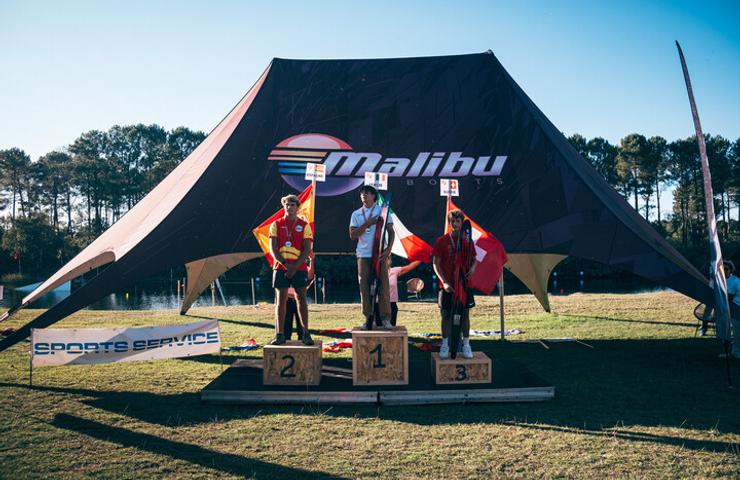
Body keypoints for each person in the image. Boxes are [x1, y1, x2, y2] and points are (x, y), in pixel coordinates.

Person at [269, 194, 313, 345]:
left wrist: (294, 267)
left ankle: (306, 333)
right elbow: (272, 248)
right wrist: (286, 265)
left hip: (299, 267)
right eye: (287, 204)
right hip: (281, 267)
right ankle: (280, 334)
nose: (290, 207)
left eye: (293, 205)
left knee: (301, 298)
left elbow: (307, 249)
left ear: (297, 207)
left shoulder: (304, 225)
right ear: (284, 206)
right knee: (281, 300)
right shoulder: (276, 224)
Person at [349, 185, 395, 330]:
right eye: (362, 193)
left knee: (383, 286)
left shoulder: (383, 211)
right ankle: (369, 318)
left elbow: (391, 232)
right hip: (363, 255)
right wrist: (367, 223)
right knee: (364, 287)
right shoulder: (356, 214)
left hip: (380, 254)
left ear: (374, 196)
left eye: (367, 193)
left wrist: (388, 250)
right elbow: (352, 235)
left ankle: (386, 318)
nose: (364, 195)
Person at [432, 209, 476, 359]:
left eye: (458, 221)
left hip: (464, 284)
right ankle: (445, 345)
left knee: (465, 315)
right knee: (445, 315)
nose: (455, 224)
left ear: (462, 223)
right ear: (449, 223)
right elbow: (435, 264)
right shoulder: (442, 241)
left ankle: (466, 345)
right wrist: (444, 282)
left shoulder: (467, 241)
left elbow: (474, 259)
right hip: (447, 286)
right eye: (453, 221)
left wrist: (472, 268)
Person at [373, 258, 422, 327]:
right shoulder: (375, 272)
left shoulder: (395, 271)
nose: (386, 260)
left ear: (390, 261)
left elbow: (410, 266)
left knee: (391, 330)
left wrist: (422, 258)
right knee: (379, 329)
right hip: (379, 304)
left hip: (392, 304)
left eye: (388, 259)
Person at [723, 260, 740, 358]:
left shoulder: (735, 281)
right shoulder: (719, 280)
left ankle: (736, 351)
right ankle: (733, 352)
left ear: (730, 270)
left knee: (737, 332)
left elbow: (728, 298)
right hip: (729, 310)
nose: (724, 271)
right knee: (730, 332)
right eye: (722, 269)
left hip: (736, 309)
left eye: (726, 269)